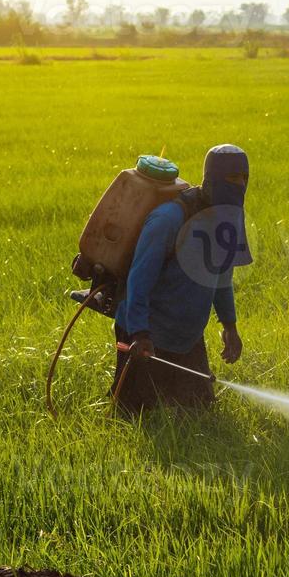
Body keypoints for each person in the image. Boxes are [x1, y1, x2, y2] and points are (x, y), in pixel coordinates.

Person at [111, 144, 251, 414]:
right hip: (147, 332)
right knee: (135, 414)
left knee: (199, 413)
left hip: (186, 335)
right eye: (232, 178)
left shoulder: (229, 219)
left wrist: (230, 325)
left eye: (244, 178)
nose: (240, 185)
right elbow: (139, 280)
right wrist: (139, 333)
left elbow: (222, 275)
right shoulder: (170, 219)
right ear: (210, 179)